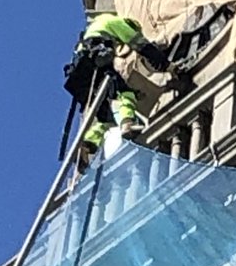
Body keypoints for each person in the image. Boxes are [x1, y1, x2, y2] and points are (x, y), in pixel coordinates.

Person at [64, 13, 173, 168]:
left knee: (105, 116)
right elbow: (140, 45)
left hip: (79, 74)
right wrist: (167, 66)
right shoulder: (116, 23)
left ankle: (87, 143)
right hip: (94, 62)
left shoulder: (96, 27)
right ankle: (127, 125)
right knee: (124, 93)